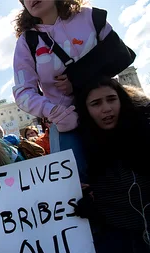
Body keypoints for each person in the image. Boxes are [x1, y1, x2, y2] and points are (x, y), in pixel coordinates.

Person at [13, 0, 135, 183]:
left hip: (110, 108)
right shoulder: (26, 42)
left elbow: (122, 55)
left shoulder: (90, 16)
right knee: (74, 183)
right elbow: (23, 92)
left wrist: (77, 77)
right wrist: (53, 111)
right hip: (68, 121)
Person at [75, 77, 150, 252]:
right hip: (117, 240)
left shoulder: (144, 131)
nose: (106, 109)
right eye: (96, 103)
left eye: (111, 99)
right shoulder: (83, 147)